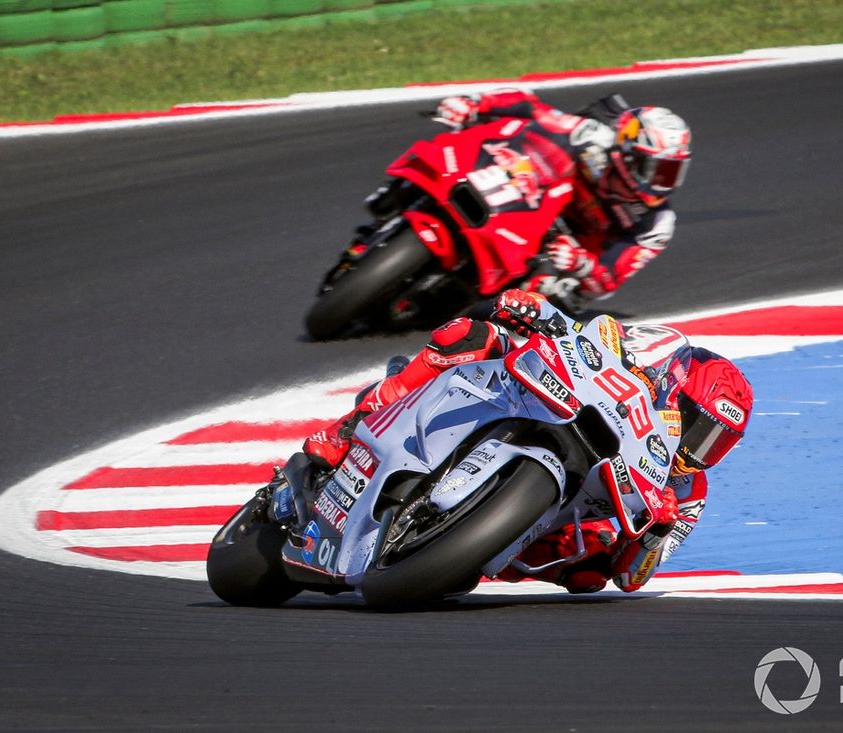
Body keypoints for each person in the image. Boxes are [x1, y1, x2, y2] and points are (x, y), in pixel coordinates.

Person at [304, 290, 753, 593]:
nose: (699, 448)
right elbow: (599, 337)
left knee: (591, 574)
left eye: (717, 441)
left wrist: (653, 536)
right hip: (555, 404)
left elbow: (632, 578)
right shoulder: (655, 361)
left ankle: (467, 548)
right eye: (699, 427)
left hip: (562, 512)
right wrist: (539, 311)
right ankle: (350, 426)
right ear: (675, 390)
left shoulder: (688, 495)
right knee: (471, 335)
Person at [430, 89, 692, 306]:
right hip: (528, 198)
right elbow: (532, 107)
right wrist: (476, 103)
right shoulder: (591, 135)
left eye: (670, 172)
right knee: (472, 148)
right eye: (655, 169)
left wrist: (580, 264)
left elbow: (607, 282)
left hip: (561, 251)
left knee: (548, 297)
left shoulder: (657, 222)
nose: (660, 182)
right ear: (627, 151)